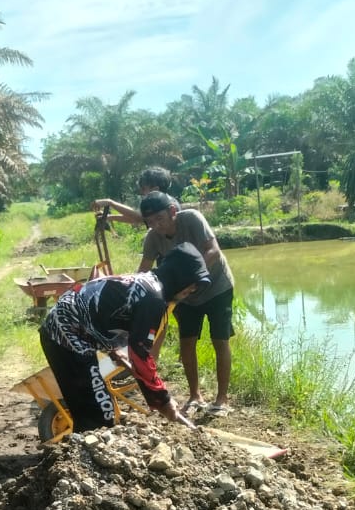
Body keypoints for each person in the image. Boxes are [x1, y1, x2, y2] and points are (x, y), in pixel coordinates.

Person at [39, 243, 209, 432]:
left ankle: (85, 448)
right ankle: (86, 455)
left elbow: (111, 315)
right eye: (192, 284)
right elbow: (140, 353)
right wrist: (163, 399)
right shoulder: (153, 299)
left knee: (96, 410)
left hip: (68, 331)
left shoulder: (149, 285)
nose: (192, 290)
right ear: (179, 276)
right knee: (99, 414)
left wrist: (113, 351)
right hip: (65, 335)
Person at [137, 192, 236, 415]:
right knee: (187, 342)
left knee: (220, 340)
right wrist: (135, 290)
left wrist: (190, 277)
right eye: (150, 222)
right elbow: (144, 268)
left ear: (172, 211)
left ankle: (222, 399)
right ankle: (195, 395)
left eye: (159, 219)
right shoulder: (153, 238)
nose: (156, 226)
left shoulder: (192, 219)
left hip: (217, 287)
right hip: (184, 296)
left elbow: (213, 250)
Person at [90, 166, 172, 226]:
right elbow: (136, 218)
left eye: (143, 189)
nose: (141, 192)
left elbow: (139, 218)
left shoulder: (165, 205)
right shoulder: (160, 203)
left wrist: (110, 203)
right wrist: (108, 217)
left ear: (155, 190)